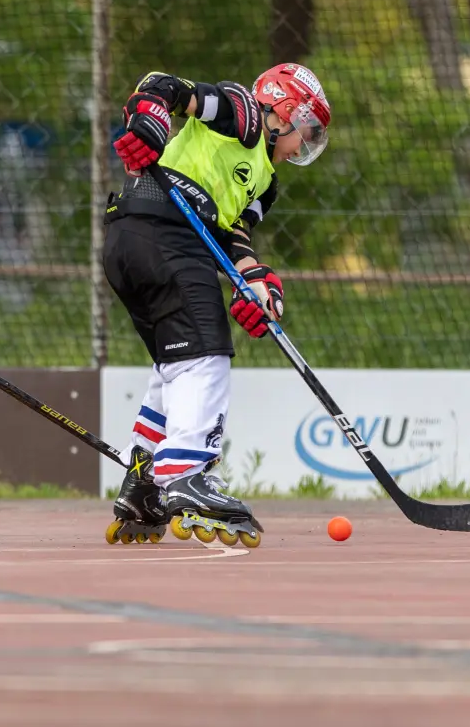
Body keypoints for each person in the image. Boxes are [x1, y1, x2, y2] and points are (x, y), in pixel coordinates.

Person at [102, 63, 330, 549]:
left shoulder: (266, 184)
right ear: (286, 110)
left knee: (176, 362)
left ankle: (145, 481)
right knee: (204, 355)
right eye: (308, 129)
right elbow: (162, 86)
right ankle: (186, 472)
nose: (306, 144)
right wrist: (147, 121)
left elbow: (232, 235)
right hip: (162, 231)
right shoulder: (242, 114)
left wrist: (256, 281)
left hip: (136, 242)